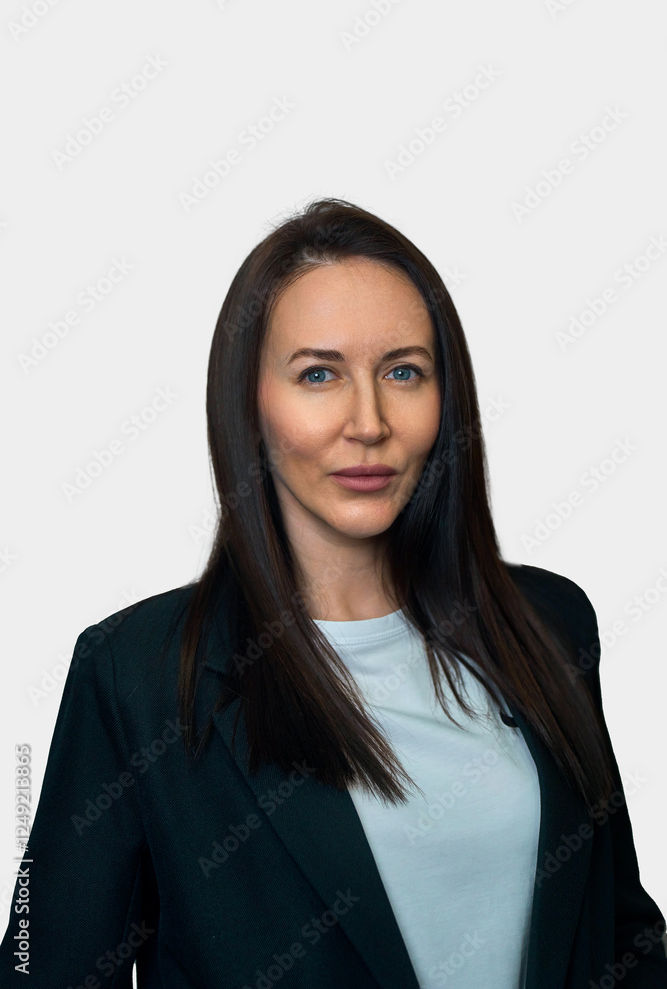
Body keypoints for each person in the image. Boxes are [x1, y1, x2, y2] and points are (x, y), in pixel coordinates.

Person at [1, 197, 665, 989]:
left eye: (403, 372)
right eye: (318, 374)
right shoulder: (135, 673)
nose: (368, 421)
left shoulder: (550, 624)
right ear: (249, 402)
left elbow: (621, 934)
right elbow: (48, 970)